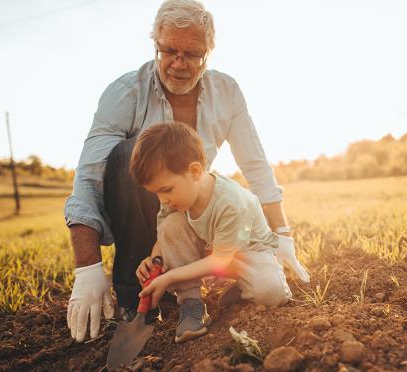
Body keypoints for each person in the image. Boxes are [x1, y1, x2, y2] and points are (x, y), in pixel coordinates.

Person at [65, 0, 309, 343]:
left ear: (208, 53)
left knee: (262, 281)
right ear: (156, 45)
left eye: (192, 54)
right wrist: (87, 268)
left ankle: (208, 277)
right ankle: (139, 293)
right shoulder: (125, 93)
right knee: (133, 156)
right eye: (169, 51)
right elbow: (89, 177)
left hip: (197, 207)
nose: (179, 64)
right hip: (166, 209)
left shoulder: (227, 92)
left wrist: (282, 233)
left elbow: (254, 163)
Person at [132, 122, 291, 342]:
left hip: (250, 252)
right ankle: (191, 304)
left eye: (166, 190)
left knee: (271, 295)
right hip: (216, 250)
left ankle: (246, 287)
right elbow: (164, 234)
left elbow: (220, 261)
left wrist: (169, 278)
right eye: (156, 193)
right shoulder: (173, 198)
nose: (162, 199)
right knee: (171, 223)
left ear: (195, 171)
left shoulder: (230, 202)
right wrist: (154, 260)